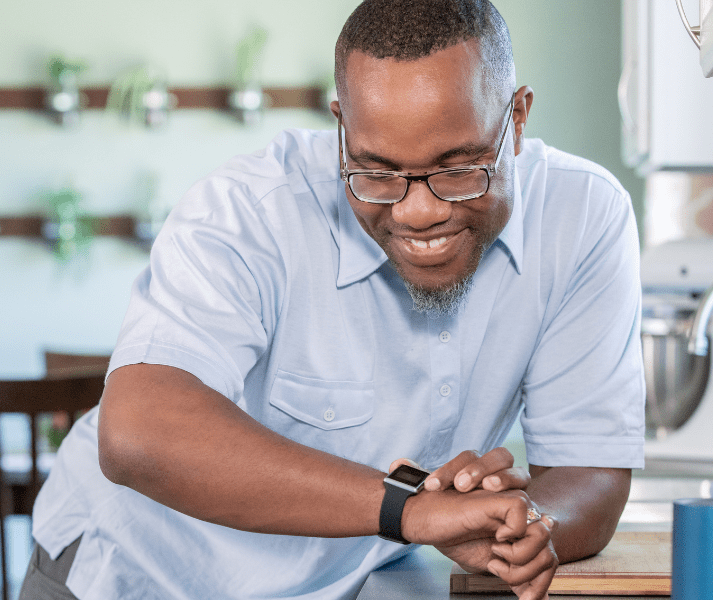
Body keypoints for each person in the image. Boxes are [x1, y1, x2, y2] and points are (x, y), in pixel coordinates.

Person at [21, 1, 645, 599]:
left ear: (517, 117)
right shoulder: (248, 213)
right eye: (376, 172)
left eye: (460, 169)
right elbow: (138, 432)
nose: (419, 211)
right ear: (342, 126)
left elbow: (590, 471)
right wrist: (412, 508)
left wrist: (523, 526)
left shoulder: (584, 216)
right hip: (136, 577)